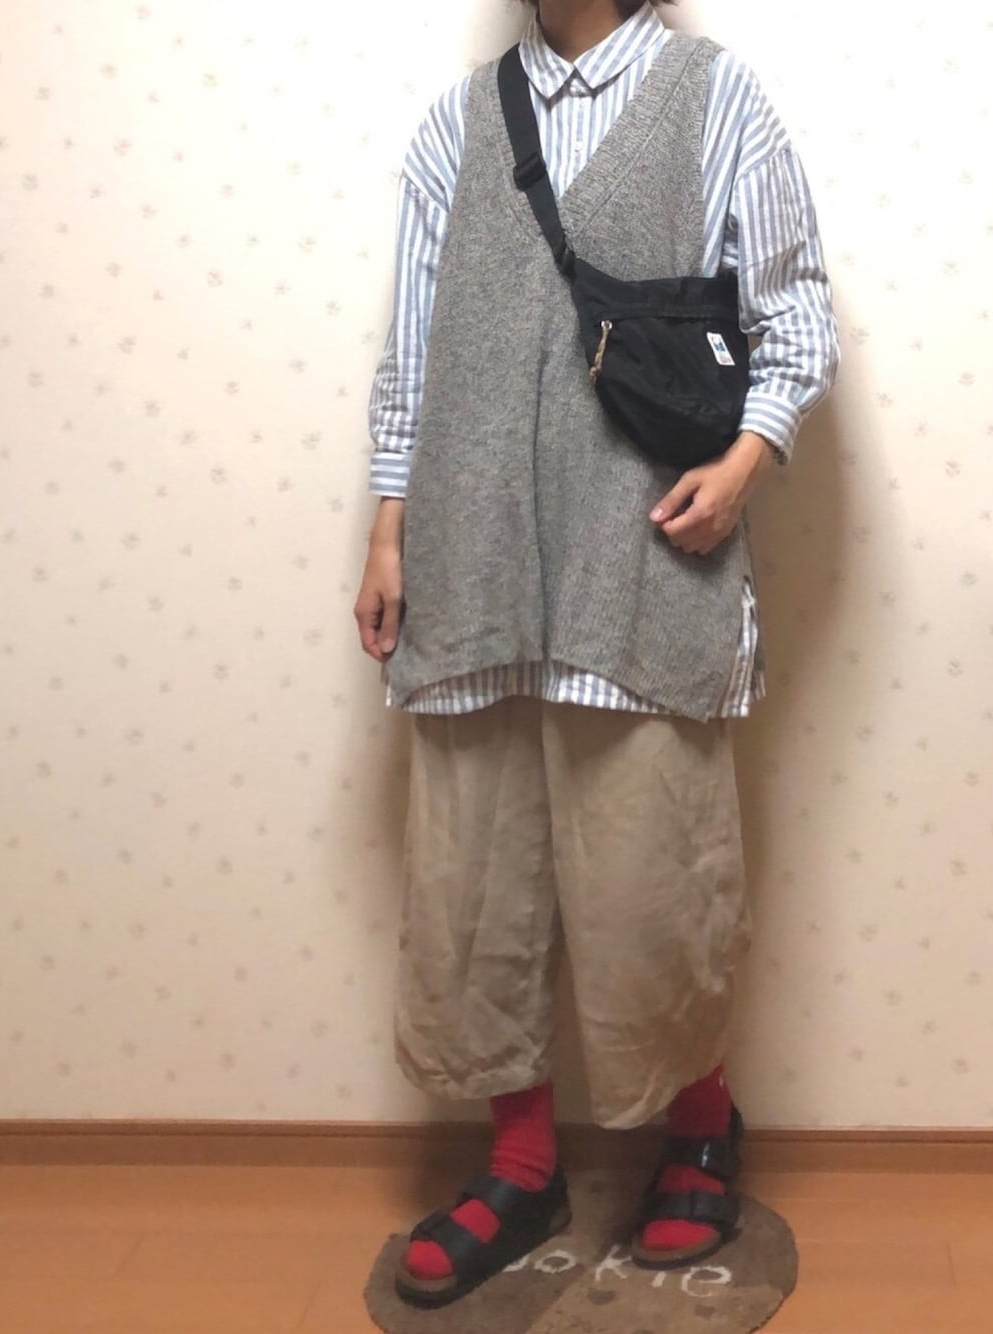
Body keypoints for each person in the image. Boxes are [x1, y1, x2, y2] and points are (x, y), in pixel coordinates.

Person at [356, 0, 838, 1310]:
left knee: (653, 873)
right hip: (470, 561)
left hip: (647, 562)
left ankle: (701, 1131)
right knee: (475, 876)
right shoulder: (456, 128)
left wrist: (746, 464)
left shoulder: (716, 98)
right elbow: (411, 351)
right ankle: (521, 1165)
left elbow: (795, 317)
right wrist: (391, 530)